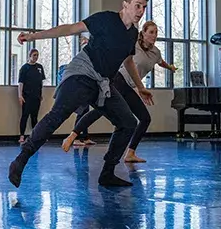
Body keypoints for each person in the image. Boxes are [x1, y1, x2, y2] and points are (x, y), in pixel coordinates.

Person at [8, 0, 149, 189]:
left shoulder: (133, 34)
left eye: (144, 7)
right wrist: (33, 37)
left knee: (127, 122)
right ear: (125, 5)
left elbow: (128, 61)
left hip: (103, 83)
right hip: (82, 73)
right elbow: (69, 29)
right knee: (57, 115)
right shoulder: (105, 20)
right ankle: (21, 159)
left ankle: (107, 173)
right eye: (137, 5)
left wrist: (141, 87)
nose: (141, 11)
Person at [62, 21, 177, 163]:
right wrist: (92, 43)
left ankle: (130, 153)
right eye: (151, 32)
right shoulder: (133, 44)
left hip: (129, 86)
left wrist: (170, 68)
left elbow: (161, 62)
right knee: (100, 111)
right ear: (144, 33)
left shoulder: (156, 53)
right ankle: (73, 136)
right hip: (118, 79)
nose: (154, 35)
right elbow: (113, 44)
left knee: (144, 118)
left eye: (156, 33)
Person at [18, 48, 46, 144]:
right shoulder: (24, 68)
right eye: (34, 55)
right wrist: (20, 95)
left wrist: (41, 94)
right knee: (25, 116)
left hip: (36, 96)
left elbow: (40, 82)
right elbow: (21, 83)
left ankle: (35, 136)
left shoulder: (39, 67)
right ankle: (22, 135)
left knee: (35, 116)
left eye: (37, 55)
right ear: (30, 56)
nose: (36, 57)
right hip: (27, 96)